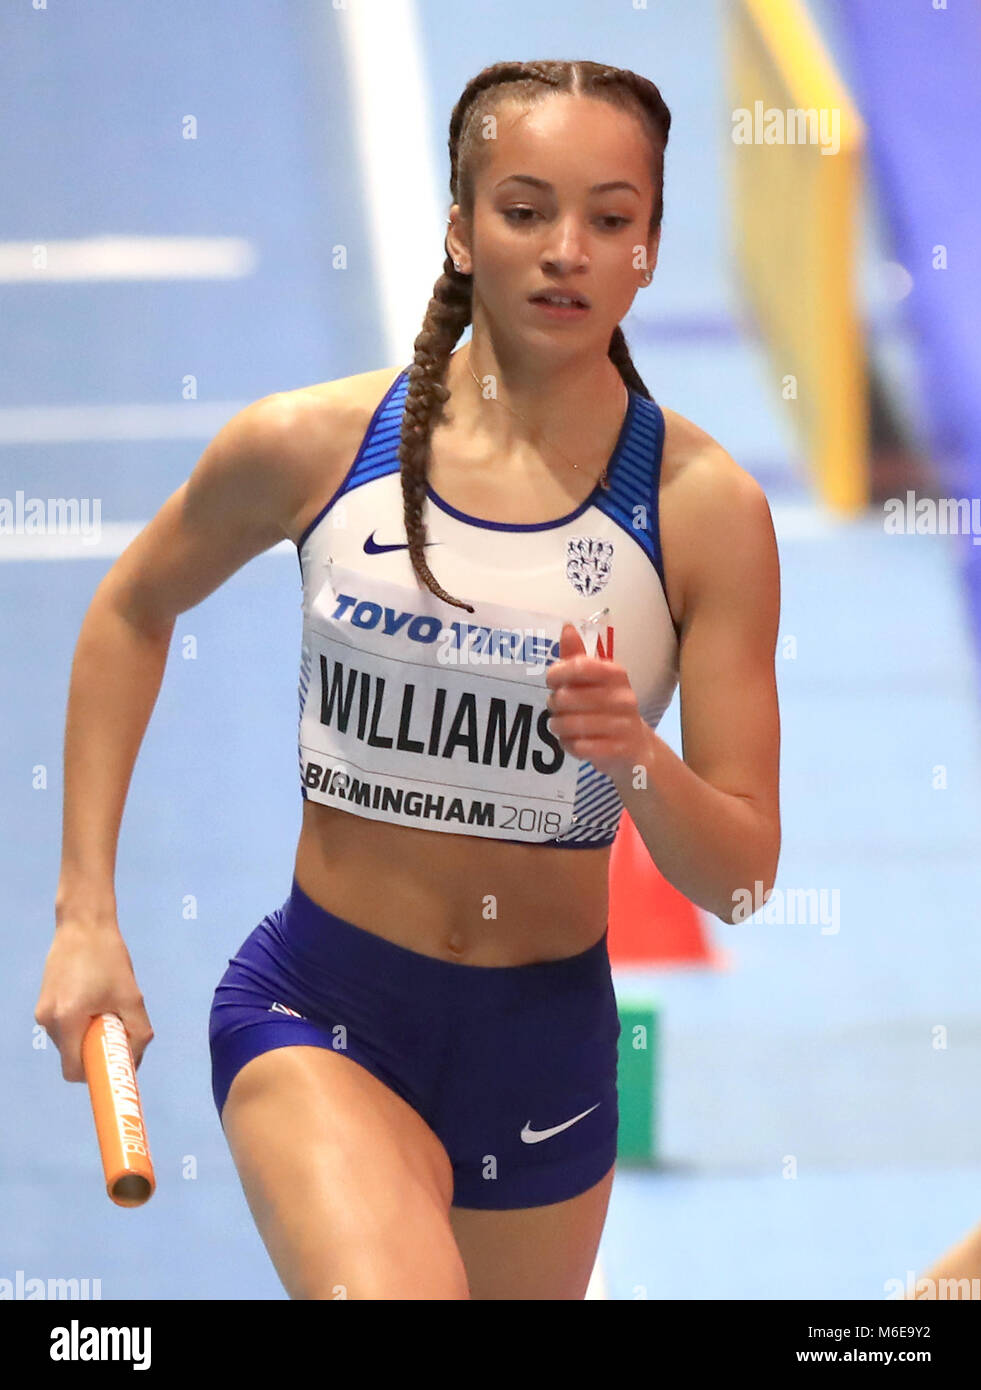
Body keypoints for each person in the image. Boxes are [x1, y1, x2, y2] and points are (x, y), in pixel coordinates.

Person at [35, 58, 781, 1300]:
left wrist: (636, 761)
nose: (567, 251)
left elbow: (745, 879)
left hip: (543, 1058)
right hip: (321, 1015)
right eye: (526, 208)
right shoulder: (312, 446)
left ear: (651, 247)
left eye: (611, 218)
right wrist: (86, 913)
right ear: (459, 224)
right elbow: (129, 607)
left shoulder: (703, 517)